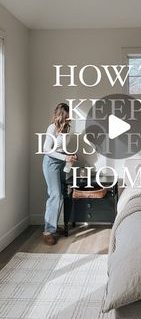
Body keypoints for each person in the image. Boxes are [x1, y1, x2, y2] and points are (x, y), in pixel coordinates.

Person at [42, 103, 77, 245]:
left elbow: (61, 148)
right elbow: (46, 149)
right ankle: (48, 232)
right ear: (61, 115)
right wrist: (64, 157)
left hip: (62, 163)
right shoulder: (52, 128)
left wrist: (69, 155)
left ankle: (54, 227)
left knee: (62, 195)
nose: (69, 118)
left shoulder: (66, 129)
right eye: (67, 116)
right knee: (55, 195)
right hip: (51, 163)